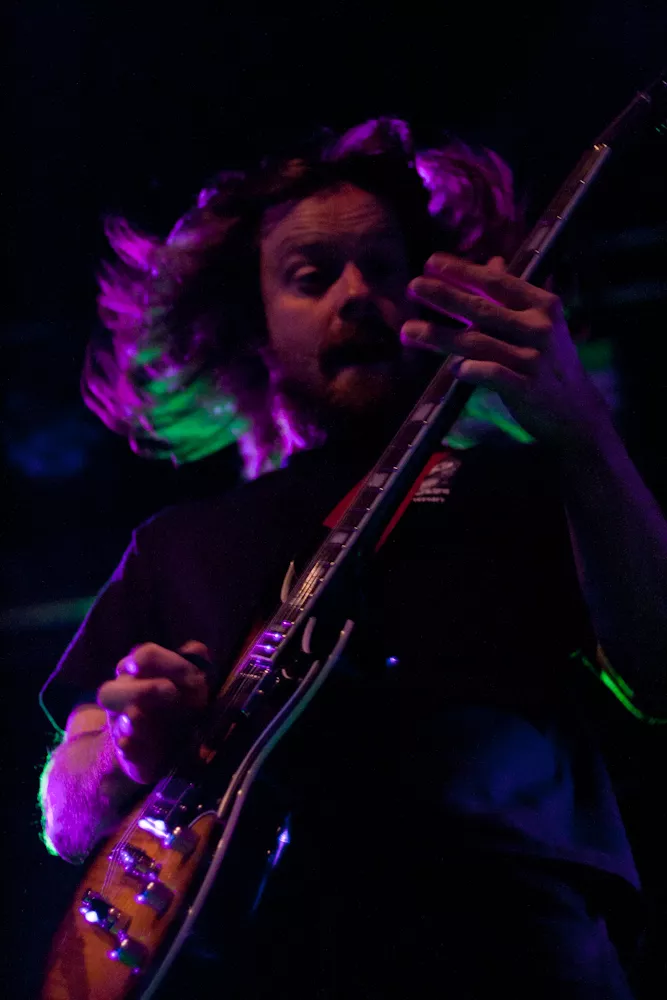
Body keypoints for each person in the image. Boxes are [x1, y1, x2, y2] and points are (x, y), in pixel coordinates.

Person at [38, 117, 667, 999]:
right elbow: (66, 817)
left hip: (516, 949)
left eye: (383, 266)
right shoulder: (177, 544)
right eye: (312, 276)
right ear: (254, 321)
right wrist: (126, 748)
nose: (358, 294)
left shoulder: (520, 486)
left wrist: (583, 431)